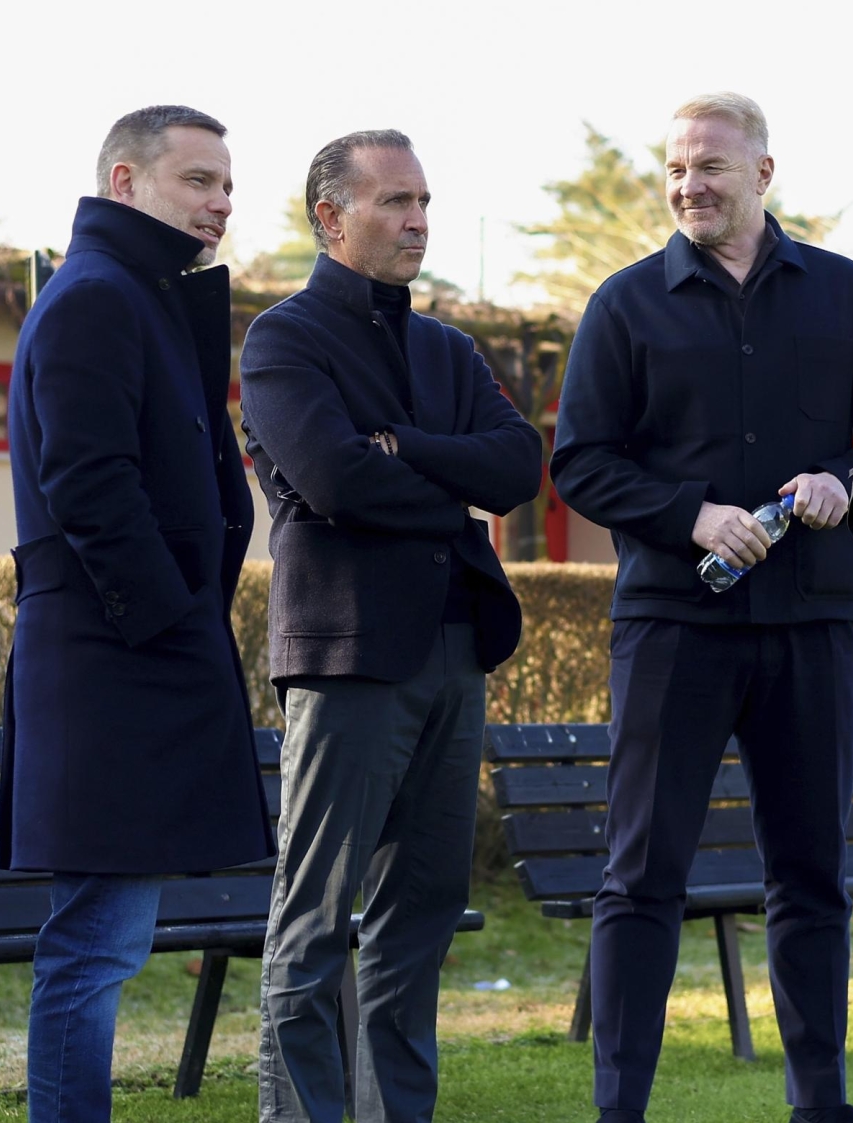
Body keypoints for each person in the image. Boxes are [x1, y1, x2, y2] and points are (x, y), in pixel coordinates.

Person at [550, 92, 853, 1123]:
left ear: (763, 172)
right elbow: (578, 464)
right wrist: (688, 516)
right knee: (642, 875)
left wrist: (851, 481)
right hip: (673, 627)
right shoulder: (624, 305)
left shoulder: (847, 295)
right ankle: (621, 1110)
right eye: (676, 169)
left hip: (812, 626)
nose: (688, 185)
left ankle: (821, 1107)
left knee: (811, 876)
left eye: (708, 166)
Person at [241, 129, 544, 1123]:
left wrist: (404, 447)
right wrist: (438, 483)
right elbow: (332, 480)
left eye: (423, 203)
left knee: (418, 925)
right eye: (394, 204)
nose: (417, 221)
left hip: (456, 654)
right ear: (331, 218)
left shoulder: (447, 350)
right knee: (314, 923)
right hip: (348, 660)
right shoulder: (282, 342)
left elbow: (512, 469)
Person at [2, 104, 273, 1123]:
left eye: (227, 185)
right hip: (112, 657)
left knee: (109, 937)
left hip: (137, 650)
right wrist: (171, 620)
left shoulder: (142, 294)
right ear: (124, 182)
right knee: (96, 940)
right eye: (197, 180)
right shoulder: (98, 297)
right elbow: (88, 484)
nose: (220, 202)